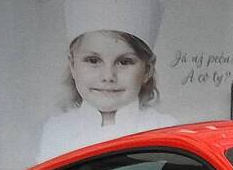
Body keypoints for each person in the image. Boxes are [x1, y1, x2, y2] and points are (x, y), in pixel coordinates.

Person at [37, 29, 176, 159]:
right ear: (73, 65)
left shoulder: (163, 128)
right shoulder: (57, 131)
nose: (108, 76)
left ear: (147, 70)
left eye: (124, 62)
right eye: (93, 60)